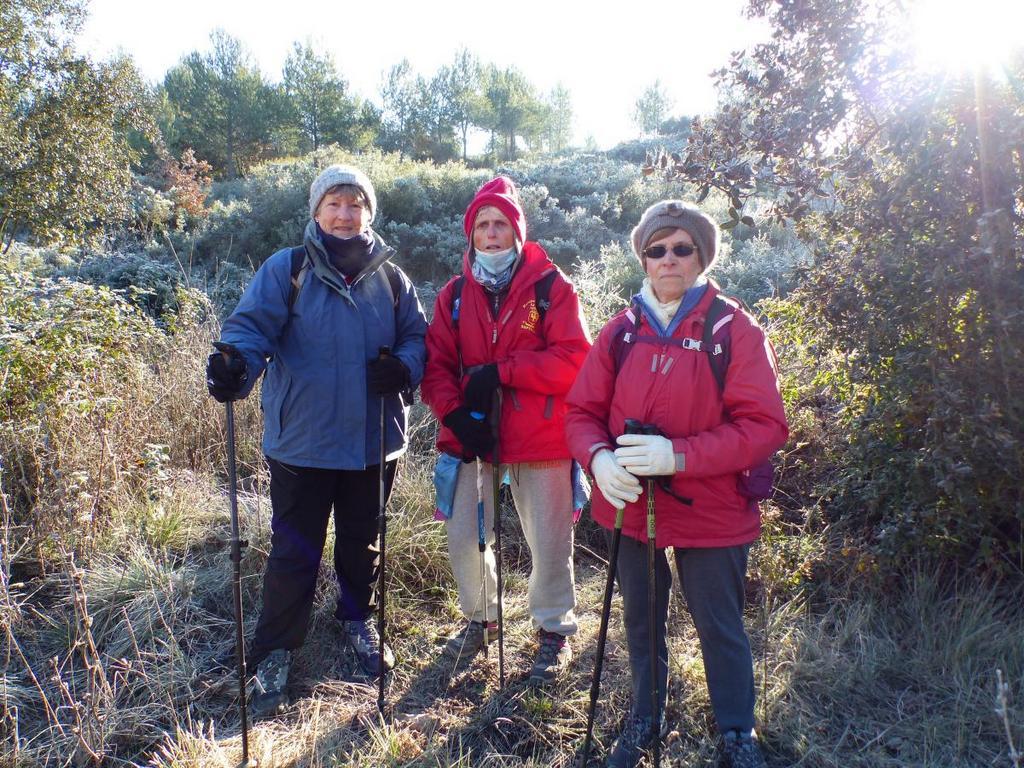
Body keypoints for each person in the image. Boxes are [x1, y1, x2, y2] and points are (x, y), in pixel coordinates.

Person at [564, 200, 788, 768]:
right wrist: (597, 458)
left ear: (701, 256)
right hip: (632, 506)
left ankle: (738, 732)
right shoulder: (620, 331)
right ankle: (647, 716)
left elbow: (764, 427)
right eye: (656, 249)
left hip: (713, 507)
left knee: (719, 625)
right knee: (641, 619)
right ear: (643, 258)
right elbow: (580, 413)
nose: (668, 259)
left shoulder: (734, 329)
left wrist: (677, 456)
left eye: (681, 248)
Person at [205, 164, 428, 717]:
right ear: (316, 210)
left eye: (356, 204)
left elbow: (418, 337)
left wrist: (404, 367)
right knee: (293, 550)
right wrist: (235, 365)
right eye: (335, 203)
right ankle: (276, 648)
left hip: (374, 439)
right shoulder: (289, 268)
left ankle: (356, 621)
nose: (346, 215)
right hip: (302, 441)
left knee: (364, 542)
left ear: (369, 212)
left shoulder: (393, 278)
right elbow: (251, 328)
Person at [420, 176, 591, 684]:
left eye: (500, 224)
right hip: (471, 438)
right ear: (470, 234)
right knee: (465, 539)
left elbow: (574, 361)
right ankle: (482, 617)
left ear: (517, 231)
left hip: (541, 439)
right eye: (482, 225)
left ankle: (553, 630)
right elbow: (436, 368)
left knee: (550, 542)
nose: (492, 234)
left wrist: (505, 371)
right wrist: (454, 416)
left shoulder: (551, 287)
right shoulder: (452, 296)